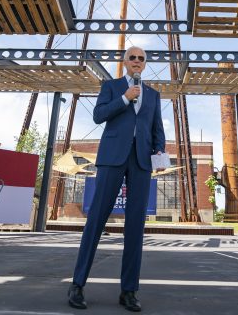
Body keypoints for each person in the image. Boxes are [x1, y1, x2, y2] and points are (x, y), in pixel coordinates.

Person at [68, 46, 166, 312]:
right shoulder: (111, 87)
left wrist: (159, 150)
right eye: (132, 57)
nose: (137, 61)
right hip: (112, 158)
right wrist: (124, 98)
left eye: (141, 59)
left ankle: (129, 291)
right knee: (96, 220)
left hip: (141, 161)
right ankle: (77, 284)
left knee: (136, 226)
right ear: (125, 62)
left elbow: (157, 128)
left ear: (144, 64)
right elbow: (98, 115)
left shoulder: (154, 95)